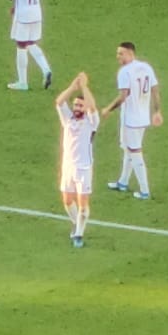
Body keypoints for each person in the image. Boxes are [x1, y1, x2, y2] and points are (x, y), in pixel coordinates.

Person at [104, 42, 160, 199]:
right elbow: (155, 90)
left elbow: (123, 96)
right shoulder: (146, 67)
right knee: (128, 149)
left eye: (121, 53)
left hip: (131, 119)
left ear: (130, 53)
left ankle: (144, 190)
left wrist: (108, 109)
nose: (118, 57)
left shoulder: (125, 72)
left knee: (135, 152)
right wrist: (157, 111)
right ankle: (123, 182)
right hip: (142, 117)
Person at [54, 73, 99, 247]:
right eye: (75, 104)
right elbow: (59, 102)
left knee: (82, 204)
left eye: (80, 105)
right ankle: (76, 223)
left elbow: (93, 107)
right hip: (68, 166)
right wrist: (73, 87)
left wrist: (85, 87)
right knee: (67, 200)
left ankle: (79, 234)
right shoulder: (67, 119)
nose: (77, 107)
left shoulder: (91, 122)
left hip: (83, 167)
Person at [5, 0, 52, 91]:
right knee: (31, 42)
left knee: (21, 45)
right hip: (36, 14)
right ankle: (46, 69)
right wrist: (16, 7)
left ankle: (23, 82)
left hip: (24, 16)